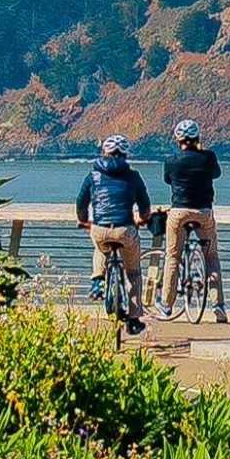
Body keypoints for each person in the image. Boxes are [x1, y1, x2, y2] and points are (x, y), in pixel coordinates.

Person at [74, 133, 151, 336]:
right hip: (125, 229)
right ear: (125, 154)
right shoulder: (133, 176)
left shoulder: (93, 176)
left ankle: (97, 281)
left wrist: (83, 220)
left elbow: (81, 202)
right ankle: (133, 319)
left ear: (104, 152)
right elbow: (144, 203)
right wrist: (143, 218)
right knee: (133, 273)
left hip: (100, 228)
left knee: (101, 247)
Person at [157, 118, 227, 322]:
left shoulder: (171, 160)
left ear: (178, 139)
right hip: (203, 212)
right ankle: (218, 305)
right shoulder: (208, 157)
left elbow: (168, 179)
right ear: (198, 137)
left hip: (179, 212)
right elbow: (216, 174)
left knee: (173, 256)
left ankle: (166, 305)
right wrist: (201, 152)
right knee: (211, 257)